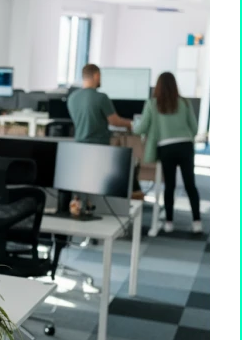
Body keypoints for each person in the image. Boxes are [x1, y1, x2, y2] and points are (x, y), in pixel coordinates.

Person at [132, 72, 201, 234]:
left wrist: (132, 126)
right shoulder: (184, 103)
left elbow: (141, 128)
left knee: (170, 185)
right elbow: (195, 128)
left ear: (158, 86)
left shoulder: (153, 103)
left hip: (166, 148)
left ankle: (169, 222)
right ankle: (197, 222)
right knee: (190, 184)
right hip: (185, 147)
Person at [66, 64, 144, 200]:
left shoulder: (72, 98)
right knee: (124, 167)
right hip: (99, 147)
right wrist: (132, 124)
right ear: (96, 76)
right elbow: (114, 121)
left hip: (79, 146)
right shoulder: (101, 97)